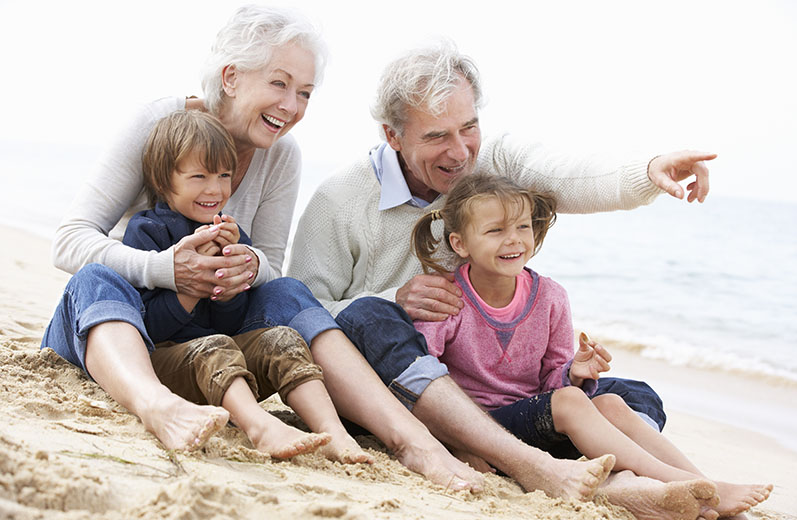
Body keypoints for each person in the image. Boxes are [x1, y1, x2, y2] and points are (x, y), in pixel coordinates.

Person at [42, 5, 608, 497]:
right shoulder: (158, 122)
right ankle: (156, 407)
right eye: (280, 84)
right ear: (232, 76)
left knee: (286, 291)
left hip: (209, 339)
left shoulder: (280, 155)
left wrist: (248, 265)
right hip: (118, 341)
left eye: (305, 92)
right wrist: (166, 268)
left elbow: (270, 264)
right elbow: (70, 240)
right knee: (94, 280)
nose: (291, 106)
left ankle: (413, 444)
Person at [286, 40, 731, 516]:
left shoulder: (493, 164)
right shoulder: (339, 199)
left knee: (632, 397)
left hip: (498, 399)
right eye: (437, 136)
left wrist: (646, 172)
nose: (461, 153)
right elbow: (302, 313)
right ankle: (537, 462)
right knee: (372, 315)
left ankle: (616, 477)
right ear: (393, 135)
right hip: (402, 388)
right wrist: (394, 299)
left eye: (469, 127)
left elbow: (566, 175)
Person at [410, 172, 772, 518]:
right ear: (460, 243)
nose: (514, 239)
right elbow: (427, 384)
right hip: (480, 429)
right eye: (495, 230)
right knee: (572, 401)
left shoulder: (550, 297)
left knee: (610, 402)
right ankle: (694, 485)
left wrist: (574, 373)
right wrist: (459, 443)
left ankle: (703, 488)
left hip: (534, 425)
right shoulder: (444, 298)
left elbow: (552, 385)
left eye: (523, 226)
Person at [113, 109, 372, 461]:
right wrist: (190, 289)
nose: (215, 188)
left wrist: (230, 290)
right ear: (163, 181)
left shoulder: (230, 234)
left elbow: (230, 322)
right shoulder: (147, 232)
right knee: (214, 345)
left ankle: (334, 434)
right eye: (199, 176)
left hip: (228, 372)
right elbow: (147, 327)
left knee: (283, 338)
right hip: (169, 365)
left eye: (224, 175)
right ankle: (258, 426)